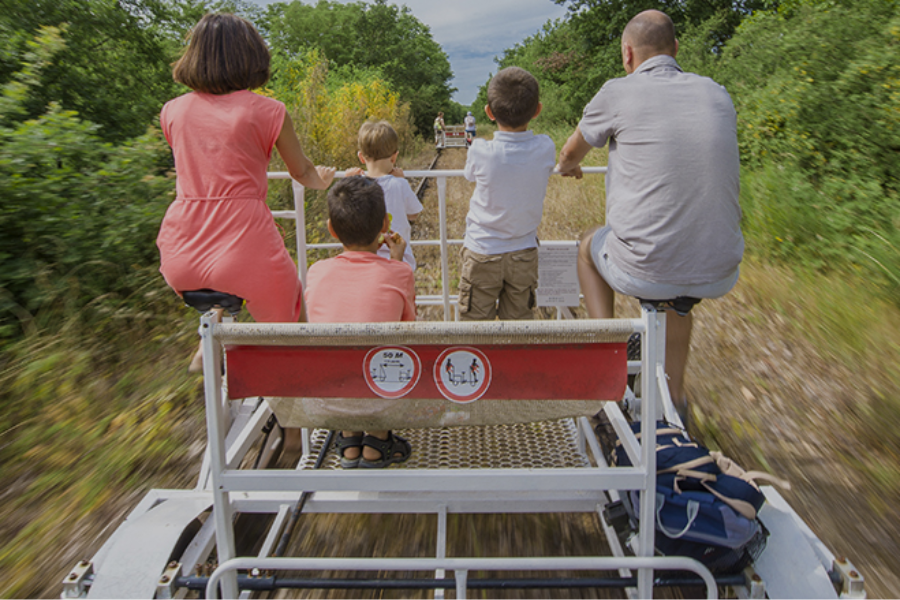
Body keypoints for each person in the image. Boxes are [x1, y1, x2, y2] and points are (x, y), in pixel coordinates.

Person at [556, 9, 743, 417]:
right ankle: (674, 401)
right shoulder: (716, 92)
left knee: (588, 246)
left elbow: (571, 153)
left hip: (644, 266)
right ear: (676, 49)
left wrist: (568, 167)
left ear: (627, 54)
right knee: (678, 299)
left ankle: (608, 356)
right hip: (720, 266)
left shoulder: (617, 92)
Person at [156, 13, 335, 371]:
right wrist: (324, 180)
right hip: (244, 243)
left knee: (220, 283)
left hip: (181, 249)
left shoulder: (172, 111)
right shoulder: (269, 111)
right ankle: (292, 417)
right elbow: (301, 172)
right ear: (250, 56)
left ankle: (212, 329)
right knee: (292, 321)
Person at [305, 177, 416, 468]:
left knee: (341, 357)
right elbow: (408, 329)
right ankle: (377, 443)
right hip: (380, 395)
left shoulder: (316, 272)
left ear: (331, 229)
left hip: (326, 396)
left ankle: (349, 440)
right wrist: (396, 261)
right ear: (384, 225)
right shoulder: (400, 273)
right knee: (386, 353)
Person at [458, 66, 556, 321]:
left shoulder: (480, 150)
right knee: (519, 326)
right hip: (524, 252)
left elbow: (470, 175)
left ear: (489, 112)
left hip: (482, 250)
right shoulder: (545, 147)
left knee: (476, 326)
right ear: (537, 110)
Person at [344, 120, 423, 270]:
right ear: (394, 157)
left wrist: (348, 181)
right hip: (400, 260)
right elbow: (414, 214)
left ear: (361, 157)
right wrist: (402, 180)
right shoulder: (399, 184)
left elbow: (344, 211)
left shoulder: (355, 185)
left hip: (366, 262)